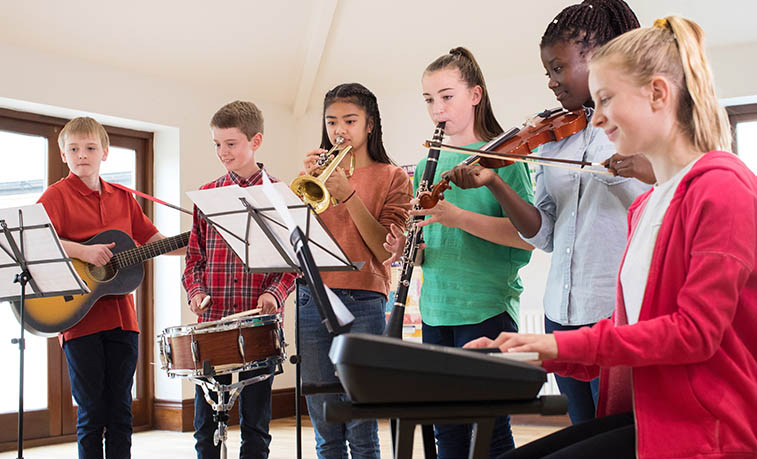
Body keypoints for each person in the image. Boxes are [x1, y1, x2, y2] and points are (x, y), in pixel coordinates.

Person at [467, 16, 757, 458]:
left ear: (658, 94)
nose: (595, 117)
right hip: (650, 415)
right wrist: (529, 353)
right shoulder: (648, 205)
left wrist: (554, 343)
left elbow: (693, 334)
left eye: (605, 99)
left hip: (707, 432)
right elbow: (627, 331)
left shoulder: (723, 188)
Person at [445, 0, 648, 425]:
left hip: (617, 311)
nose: (552, 83)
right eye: (548, 73)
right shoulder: (556, 138)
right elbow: (545, 233)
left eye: (559, 68)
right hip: (562, 312)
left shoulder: (642, 123)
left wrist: (645, 168)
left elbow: (679, 189)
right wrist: (496, 183)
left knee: (620, 434)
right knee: (581, 432)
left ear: (599, 59)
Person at [385, 47, 534, 458]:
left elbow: (528, 238)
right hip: (436, 310)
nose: (437, 109)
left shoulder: (507, 157)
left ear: (475, 95)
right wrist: (404, 250)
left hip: (485, 308)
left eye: (447, 96)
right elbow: (428, 248)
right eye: (429, 100)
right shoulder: (424, 165)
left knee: (488, 430)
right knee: (446, 432)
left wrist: (459, 218)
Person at [37, 116, 184, 459]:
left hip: (123, 320)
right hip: (79, 319)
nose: (82, 155)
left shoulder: (123, 197)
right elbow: (41, 243)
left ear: (105, 152)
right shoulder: (55, 196)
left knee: (120, 411)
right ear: (63, 154)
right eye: (73, 149)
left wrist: (197, 243)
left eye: (90, 148)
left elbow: (154, 240)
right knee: (91, 412)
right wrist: (84, 251)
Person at [297, 82, 411, 459]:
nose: (339, 130)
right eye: (332, 122)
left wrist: (346, 192)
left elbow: (383, 249)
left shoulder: (393, 176)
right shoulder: (315, 174)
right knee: (323, 416)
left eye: (349, 120)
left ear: (370, 125)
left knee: (361, 418)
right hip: (313, 296)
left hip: (364, 296)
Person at [182, 101, 296, 459]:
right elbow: (193, 260)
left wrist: (275, 294)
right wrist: (196, 292)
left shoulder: (279, 195)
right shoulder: (206, 195)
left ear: (255, 140)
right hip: (213, 326)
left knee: (256, 427)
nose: (222, 152)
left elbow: (292, 263)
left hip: (258, 326)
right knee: (205, 426)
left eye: (230, 143)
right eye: (217, 144)